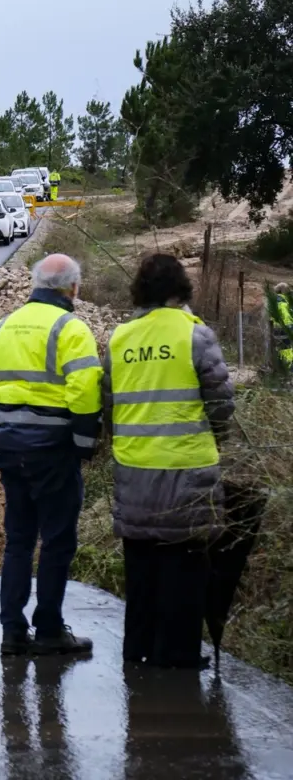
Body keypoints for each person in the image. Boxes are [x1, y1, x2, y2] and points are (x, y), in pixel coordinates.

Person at [103, 253, 234, 670]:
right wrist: (218, 440)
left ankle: (137, 650)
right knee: (185, 568)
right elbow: (221, 404)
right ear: (181, 290)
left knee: (140, 568)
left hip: (135, 472)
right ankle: (175, 657)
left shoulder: (121, 338)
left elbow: (108, 404)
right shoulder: (195, 336)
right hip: (187, 474)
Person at [0, 253, 102, 656]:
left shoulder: (1, 327)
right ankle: (49, 629)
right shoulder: (71, 328)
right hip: (53, 449)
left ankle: (12, 631)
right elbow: (84, 391)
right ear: (73, 288)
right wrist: (85, 444)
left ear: (35, 284)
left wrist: (6, 419)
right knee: (57, 540)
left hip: (10, 445)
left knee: (17, 539)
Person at [271, 282, 292, 368]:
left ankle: (280, 368)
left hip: (276, 329)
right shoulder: (282, 302)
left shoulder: (274, 301)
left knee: (280, 350)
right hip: (285, 329)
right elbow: (286, 317)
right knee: (287, 350)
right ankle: (289, 370)